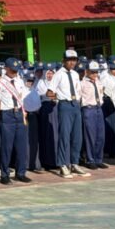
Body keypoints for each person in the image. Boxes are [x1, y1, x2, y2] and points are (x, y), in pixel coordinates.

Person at [47, 50, 90, 178]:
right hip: (65, 105)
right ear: (63, 61)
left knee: (77, 136)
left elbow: (78, 90)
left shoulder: (75, 74)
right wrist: (60, 96)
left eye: (74, 60)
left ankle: (74, 163)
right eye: (69, 60)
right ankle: (62, 164)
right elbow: (49, 92)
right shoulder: (58, 74)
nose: (72, 62)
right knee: (64, 136)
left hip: (75, 105)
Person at [0, 57, 30, 184]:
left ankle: (21, 173)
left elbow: (23, 97)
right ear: (6, 69)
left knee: (21, 146)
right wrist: (1, 115)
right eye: (12, 70)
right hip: (7, 114)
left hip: (19, 113)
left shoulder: (20, 81)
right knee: (6, 146)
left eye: (16, 70)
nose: (15, 72)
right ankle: (5, 174)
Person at [80, 61, 106, 169]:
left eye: (96, 72)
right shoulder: (82, 83)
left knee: (100, 135)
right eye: (92, 72)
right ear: (87, 71)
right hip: (88, 109)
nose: (95, 74)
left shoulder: (99, 82)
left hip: (98, 108)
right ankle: (90, 160)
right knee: (90, 136)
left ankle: (98, 159)